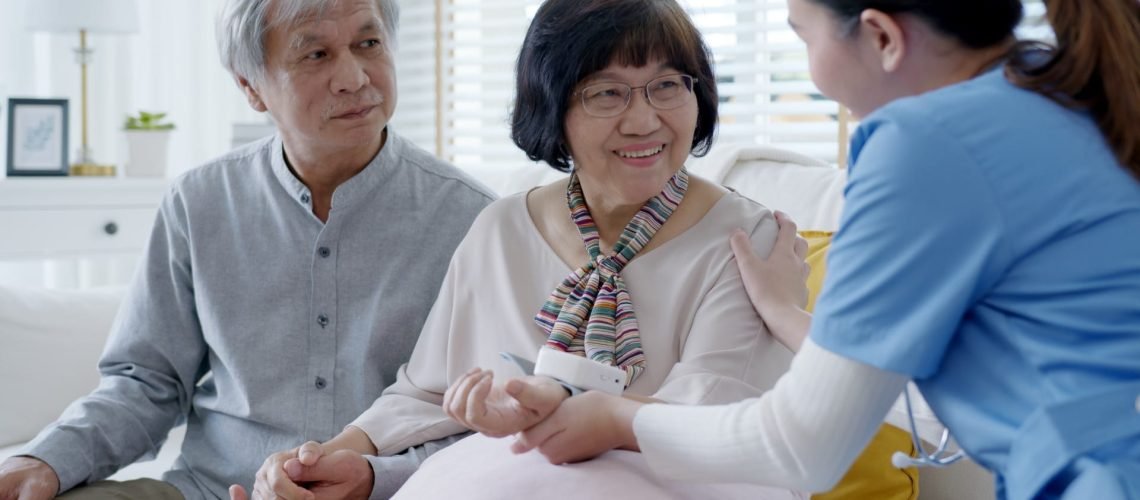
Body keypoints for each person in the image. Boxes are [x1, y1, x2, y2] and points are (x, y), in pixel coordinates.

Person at [494, 0, 1140, 498]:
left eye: (802, 34)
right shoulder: (1061, 98)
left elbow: (802, 445)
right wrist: (789, 317)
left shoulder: (926, 147)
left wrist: (616, 418)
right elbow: (974, 392)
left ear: (881, 36)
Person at [239, 0, 809, 498]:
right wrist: (327, 455)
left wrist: (550, 414)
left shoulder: (749, 239)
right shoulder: (502, 226)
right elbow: (428, 390)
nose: (644, 120)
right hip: (523, 476)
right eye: (606, 93)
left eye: (667, 86)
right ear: (552, 109)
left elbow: (709, 414)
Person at [0, 0, 495, 499]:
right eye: (316, 54)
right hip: (209, 490)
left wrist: (376, 478)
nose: (353, 77)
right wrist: (46, 459)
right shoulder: (198, 203)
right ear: (250, 87)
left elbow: (486, 420)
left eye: (368, 44)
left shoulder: (474, 219)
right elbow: (147, 383)